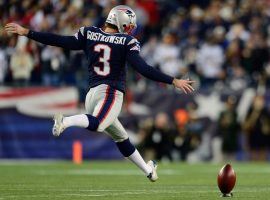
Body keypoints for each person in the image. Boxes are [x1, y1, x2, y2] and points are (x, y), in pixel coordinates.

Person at [5, 5, 195, 182]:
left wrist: (27, 32)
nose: (130, 29)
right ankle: (66, 121)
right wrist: (173, 80)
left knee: (121, 137)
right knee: (97, 125)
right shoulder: (127, 41)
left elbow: (60, 41)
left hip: (92, 95)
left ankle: (149, 171)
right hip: (111, 93)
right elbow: (143, 69)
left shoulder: (90, 33)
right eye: (128, 25)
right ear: (122, 23)